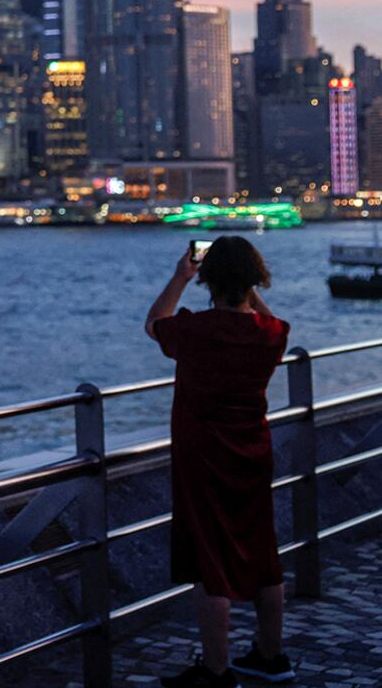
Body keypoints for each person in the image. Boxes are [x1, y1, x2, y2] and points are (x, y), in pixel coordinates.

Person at [145, 237, 295, 687]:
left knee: (210, 560)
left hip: (202, 455)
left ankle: (215, 670)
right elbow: (266, 318)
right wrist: (244, 286)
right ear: (255, 280)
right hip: (254, 450)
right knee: (264, 552)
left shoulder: (197, 330)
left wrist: (180, 276)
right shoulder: (271, 333)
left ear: (209, 280)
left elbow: (155, 323)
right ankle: (271, 656)